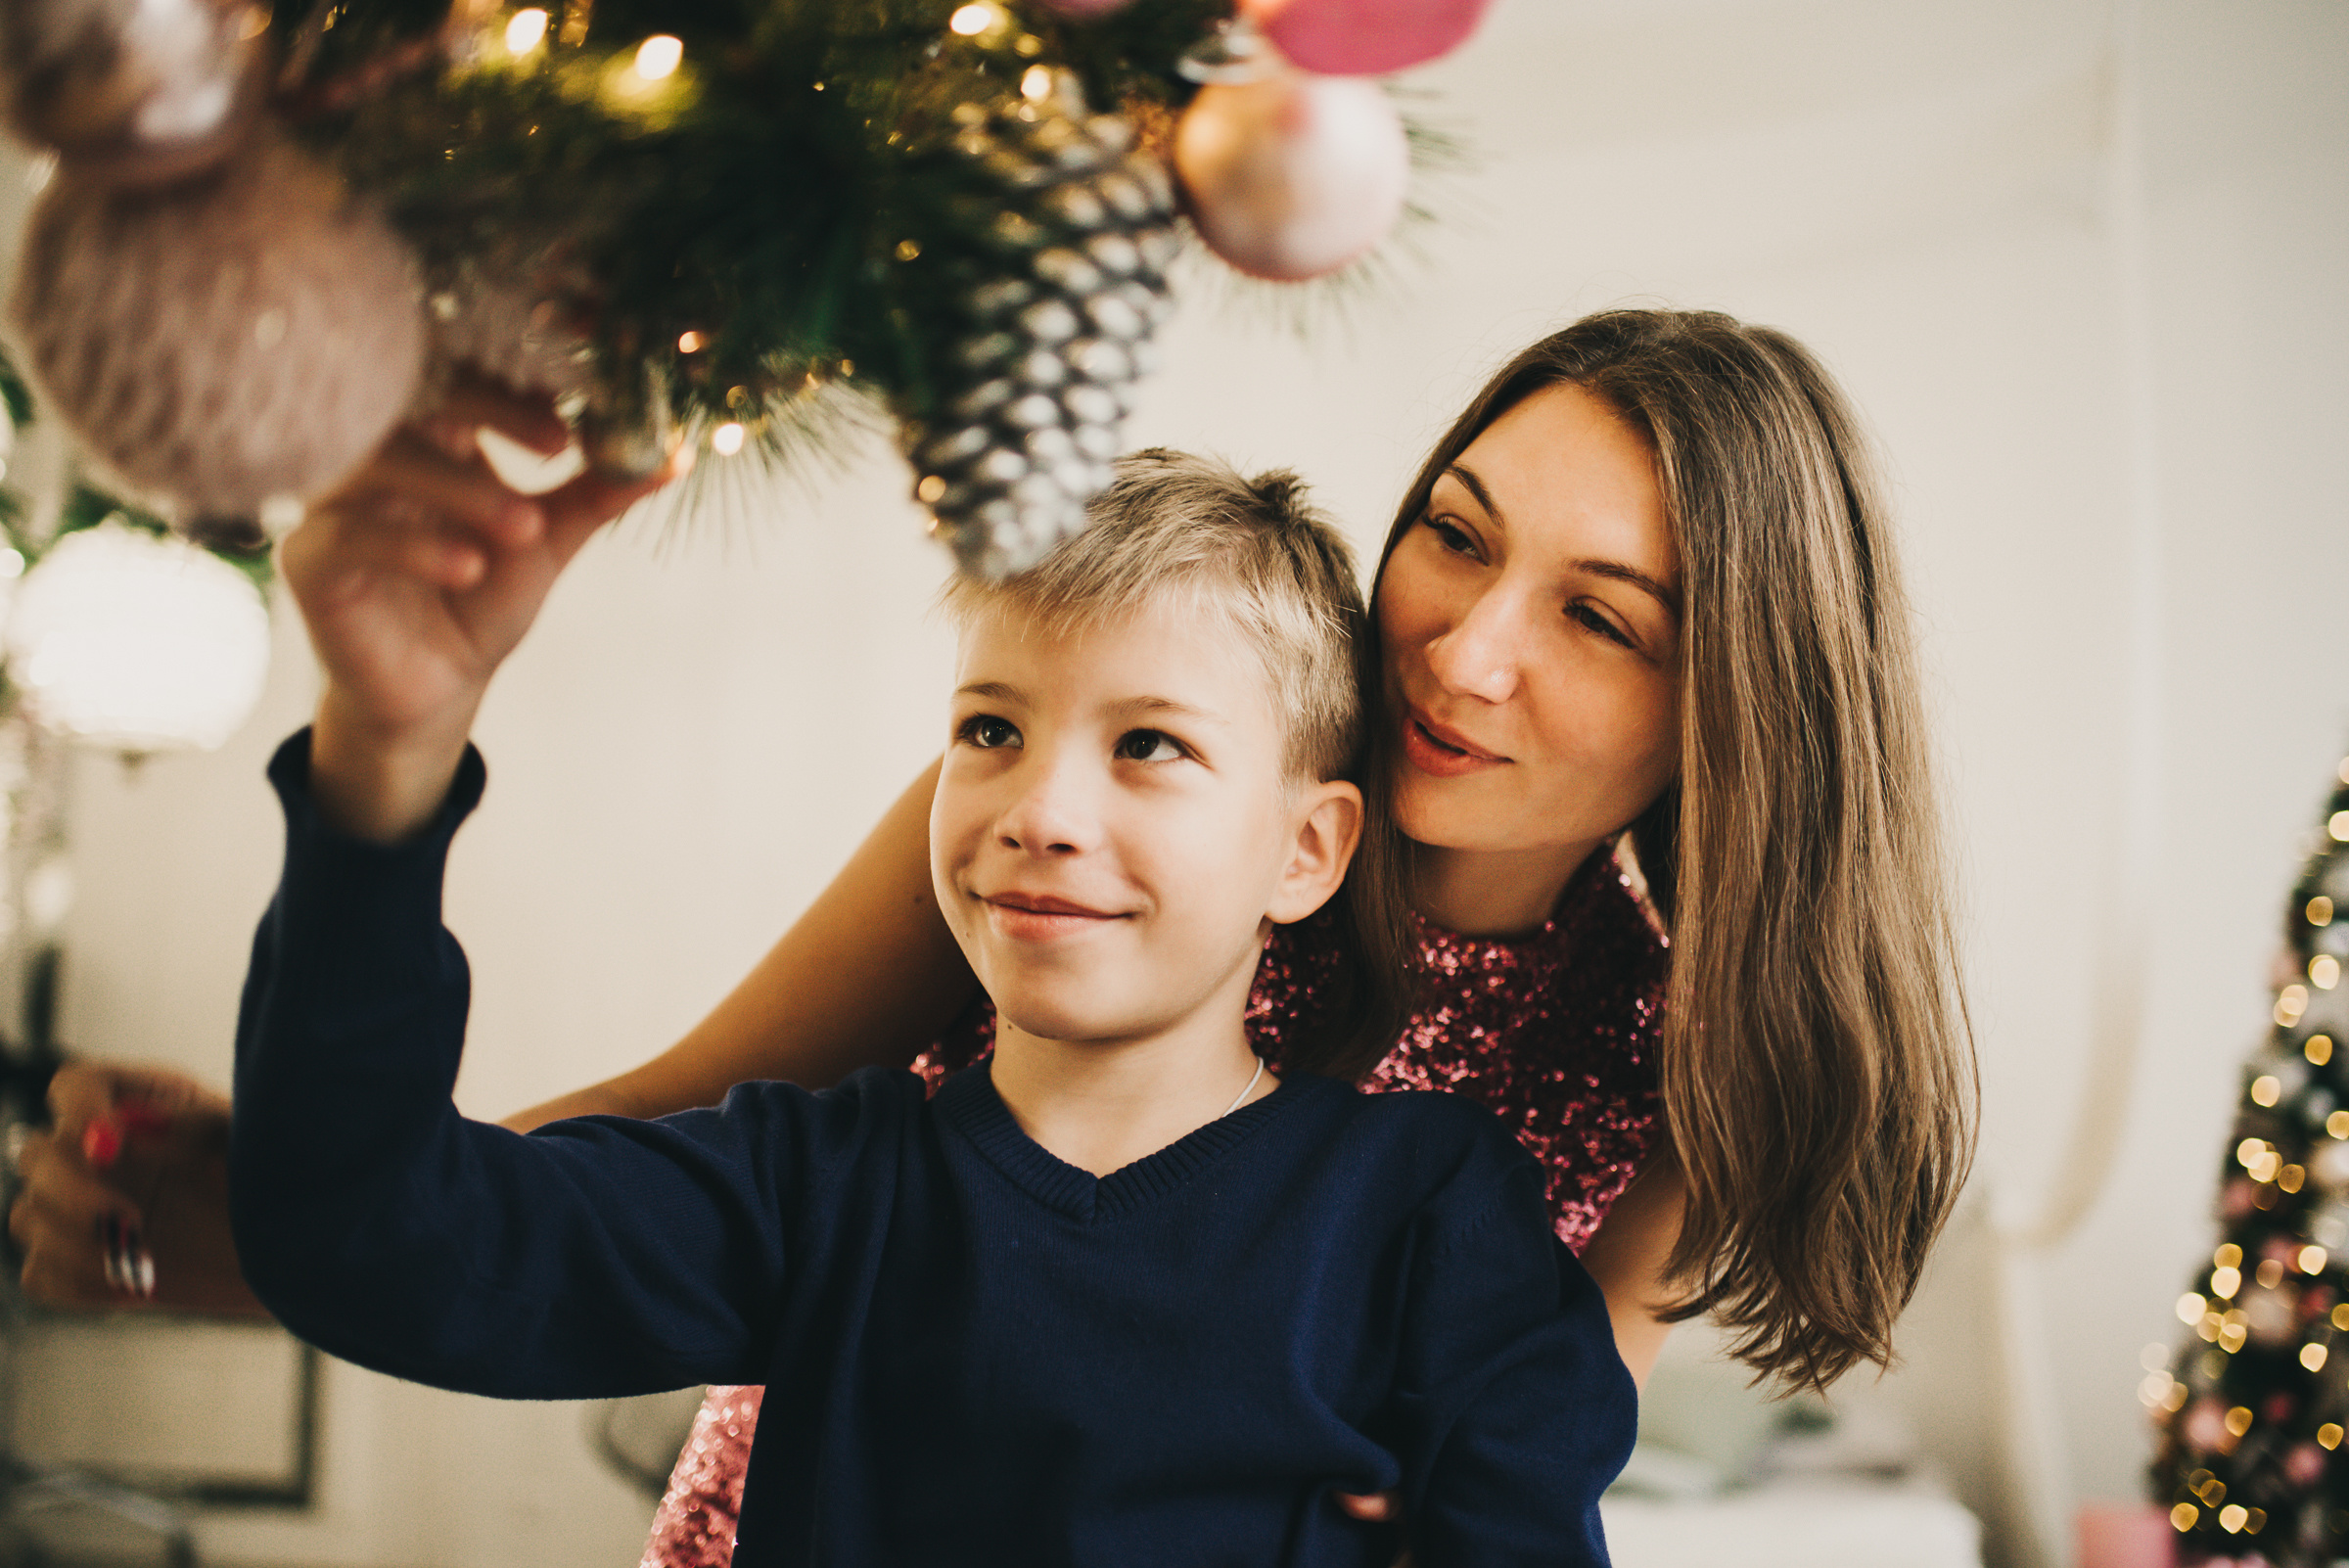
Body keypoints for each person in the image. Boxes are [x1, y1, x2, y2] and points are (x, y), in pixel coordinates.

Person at [10, 307, 1974, 1552]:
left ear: (1738, 700)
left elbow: (1519, 1457)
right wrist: (299, 1225)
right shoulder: (1091, 835)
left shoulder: (1641, 1073)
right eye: (1456, 533)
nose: (1463, 646)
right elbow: (683, 1142)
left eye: (1600, 615)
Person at [229, 450, 1637, 1567]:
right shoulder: (811, 1189)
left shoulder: (1433, 1224)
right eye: (990, 729)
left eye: (1150, 743)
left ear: (1306, 850)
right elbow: (378, 1247)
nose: (1040, 809)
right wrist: (387, 747)